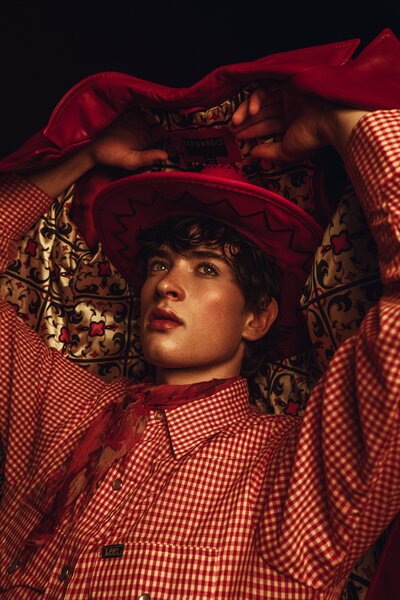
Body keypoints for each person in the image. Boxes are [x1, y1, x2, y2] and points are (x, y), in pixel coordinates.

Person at [0, 77, 399, 600]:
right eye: (160, 264)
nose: (165, 283)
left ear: (256, 319)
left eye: (206, 269)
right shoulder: (59, 405)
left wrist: (336, 123)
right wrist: (82, 155)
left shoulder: (290, 472)